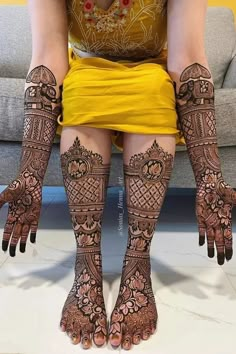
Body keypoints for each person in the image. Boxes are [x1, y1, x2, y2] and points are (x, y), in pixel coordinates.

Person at [0, 0, 236, 350]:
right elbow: (49, 59)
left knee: (154, 95)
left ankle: (137, 264)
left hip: (151, 69)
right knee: (81, 96)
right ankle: (87, 264)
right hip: (88, 70)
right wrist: (30, 173)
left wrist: (210, 175)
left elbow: (186, 60)